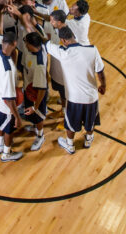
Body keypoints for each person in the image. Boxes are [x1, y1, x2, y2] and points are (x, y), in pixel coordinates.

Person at [44, 26, 106, 155]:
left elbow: (45, 43)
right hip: (91, 97)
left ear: (63, 40)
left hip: (74, 98)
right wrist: (103, 85)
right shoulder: (92, 50)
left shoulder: (63, 53)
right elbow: (100, 71)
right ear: (73, 36)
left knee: (70, 124)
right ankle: (88, 140)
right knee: (90, 121)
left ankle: (70, 145)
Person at [0, 30, 24, 162]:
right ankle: (6, 153)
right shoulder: (8, 70)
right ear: (15, 43)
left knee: (0, 124)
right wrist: (17, 116)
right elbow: (9, 99)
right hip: (6, 104)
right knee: (8, 129)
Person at [20, 32, 48, 151]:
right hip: (29, 88)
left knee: (38, 115)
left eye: (26, 42)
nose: (24, 44)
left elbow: (42, 89)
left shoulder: (39, 65)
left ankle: (40, 135)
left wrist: (36, 106)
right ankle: (35, 126)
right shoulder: (31, 50)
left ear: (32, 44)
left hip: (37, 93)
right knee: (31, 114)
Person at [47, 10, 68, 109]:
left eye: (52, 21)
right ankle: (63, 102)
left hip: (63, 72)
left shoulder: (67, 36)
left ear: (59, 22)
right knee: (60, 90)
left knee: (64, 92)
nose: (50, 22)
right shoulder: (56, 29)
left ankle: (65, 108)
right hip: (56, 67)